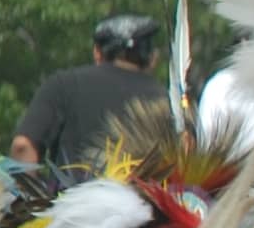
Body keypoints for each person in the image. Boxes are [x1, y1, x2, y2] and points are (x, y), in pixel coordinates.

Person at [10, 13, 162, 167]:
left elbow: (22, 146)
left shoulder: (63, 84)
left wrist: (30, 188)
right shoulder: (165, 99)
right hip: (142, 191)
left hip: (73, 190)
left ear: (97, 52)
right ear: (150, 58)